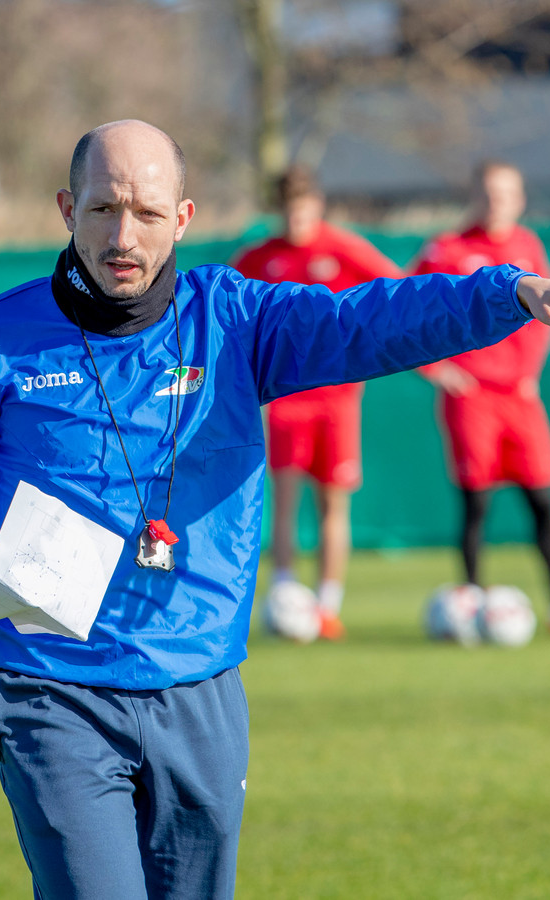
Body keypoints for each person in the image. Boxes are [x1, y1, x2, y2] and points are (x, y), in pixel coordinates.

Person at [0, 120, 550, 899]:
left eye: (145, 213)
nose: (121, 235)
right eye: (103, 209)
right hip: (52, 690)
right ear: (66, 209)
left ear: (180, 218)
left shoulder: (235, 321)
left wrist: (505, 292)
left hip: (199, 687)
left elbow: (367, 321)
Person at [412, 160, 550, 636]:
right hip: (472, 397)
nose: (497, 200)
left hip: (520, 397)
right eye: (488, 191)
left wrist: (530, 371)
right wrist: (435, 370)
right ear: (474, 194)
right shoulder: (447, 249)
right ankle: (471, 605)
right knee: (477, 503)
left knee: (542, 499)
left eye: (506, 192)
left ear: (519, 199)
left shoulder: (526, 245)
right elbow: (403, 306)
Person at [233, 165, 403, 639]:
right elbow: (226, 312)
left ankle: (327, 606)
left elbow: (395, 290)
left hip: (339, 399)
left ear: (318, 205)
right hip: (286, 400)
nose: (297, 218)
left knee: (334, 503)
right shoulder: (258, 257)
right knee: (283, 500)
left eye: (304, 208)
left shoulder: (343, 247)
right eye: (288, 209)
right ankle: (285, 596)